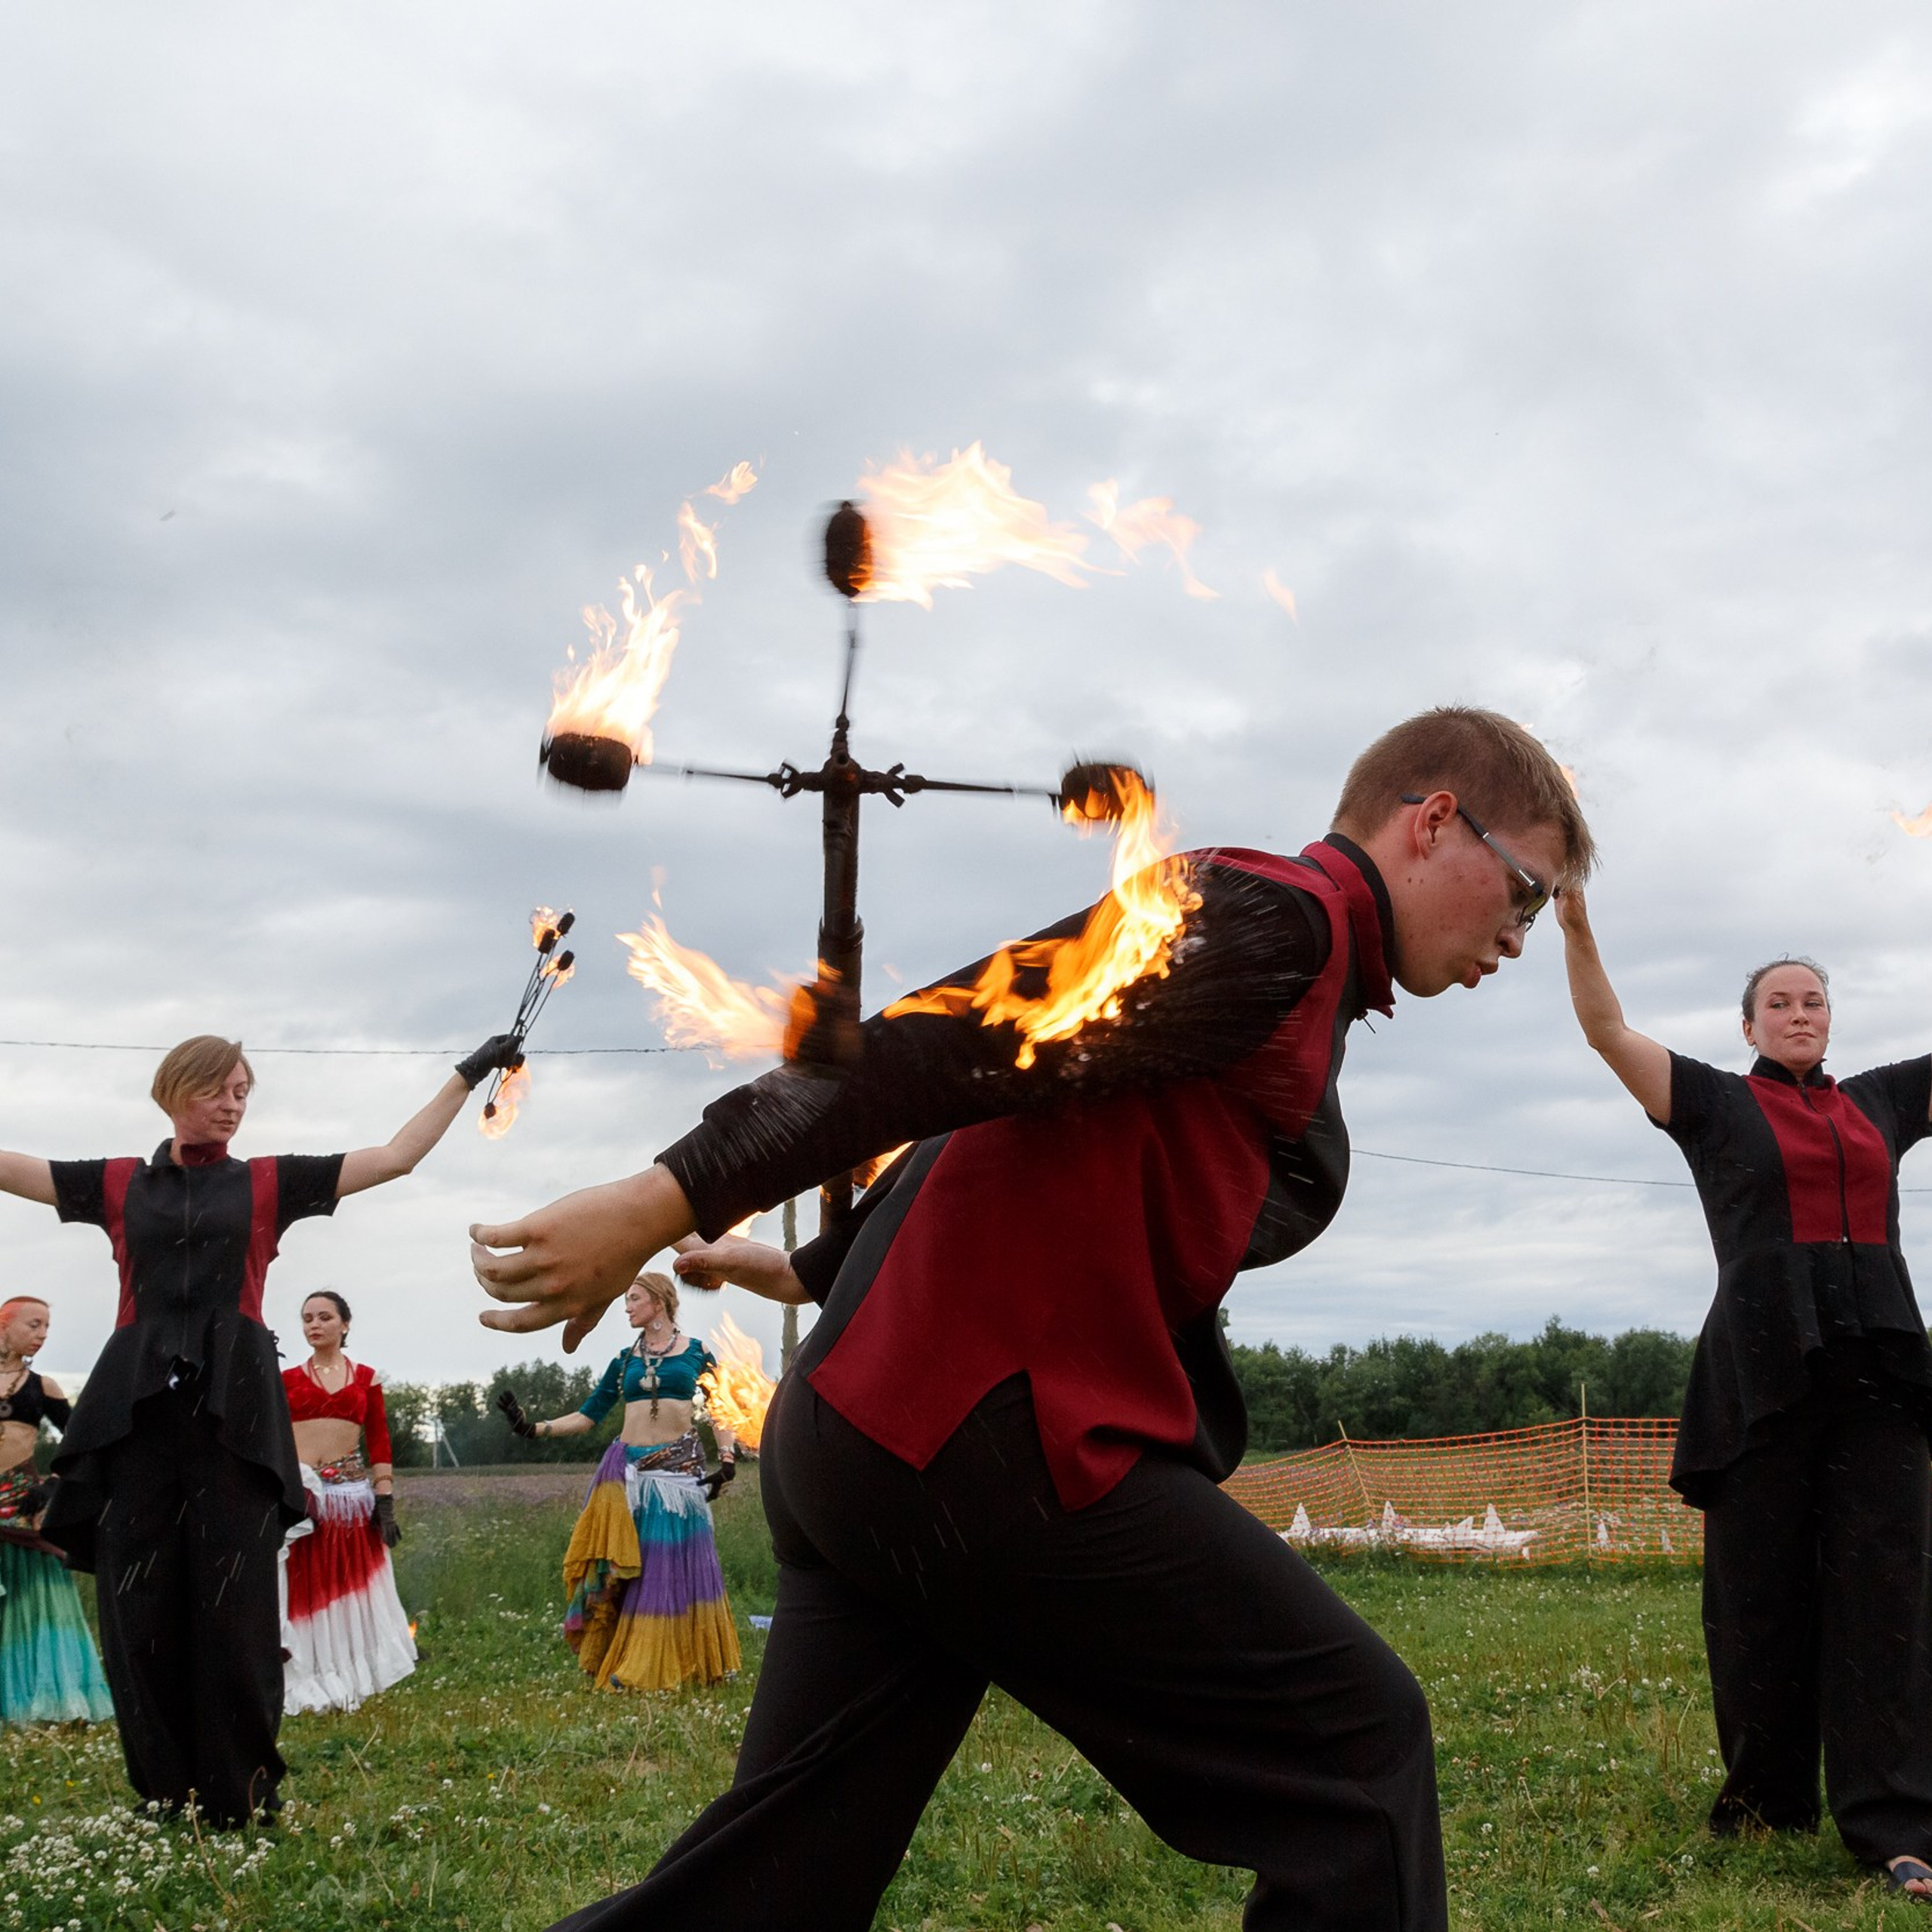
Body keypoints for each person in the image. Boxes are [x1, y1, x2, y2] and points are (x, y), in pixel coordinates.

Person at [471, 705, 1595, 1932]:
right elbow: (950, 1042)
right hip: (975, 1443)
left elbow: (1015, 1112)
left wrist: (810, 1268)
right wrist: (660, 1196)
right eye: (1524, 893)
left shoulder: (1300, 974)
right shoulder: (1280, 919)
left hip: (865, 1438)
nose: (1519, 937)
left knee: (777, 1890)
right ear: (1434, 822)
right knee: (1358, 1757)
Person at [0, 1027, 520, 1826]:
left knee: (236, 1608)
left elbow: (395, 1157)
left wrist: (467, 1073)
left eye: (244, 1092)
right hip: (137, 1416)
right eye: (220, 1089)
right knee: (138, 1608)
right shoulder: (116, 1182)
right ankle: (164, 1789)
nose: (235, 1104)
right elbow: (12, 1167)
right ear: (177, 1090)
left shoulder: (268, 1181)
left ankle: (239, 1790)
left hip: (233, 1415)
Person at [1558, 893, 1932, 1901]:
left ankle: (1896, 1823)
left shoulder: (1884, 1100)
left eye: (1814, 1002)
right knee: (1757, 1593)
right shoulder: (1716, 1103)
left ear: (1830, 1019)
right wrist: (1578, 929)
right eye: (1780, 1003)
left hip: (1880, 1370)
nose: (1799, 1013)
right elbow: (1606, 1030)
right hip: (1764, 1368)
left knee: (1888, 1594)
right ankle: (1767, 1801)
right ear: (1749, 1025)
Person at [498, 1272, 740, 1692]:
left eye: (634, 1299)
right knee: (632, 1569)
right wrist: (534, 1428)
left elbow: (722, 1409)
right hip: (627, 1477)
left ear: (659, 1303)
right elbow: (588, 1415)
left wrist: (728, 1458)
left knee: (670, 1568)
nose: (626, 1307)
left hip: (678, 1477)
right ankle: (628, 1656)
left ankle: (675, 1659)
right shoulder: (625, 1361)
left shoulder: (697, 1353)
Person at [280, 1290, 416, 1714]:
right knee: (308, 1589)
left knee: (350, 1590)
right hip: (306, 1502)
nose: (314, 1325)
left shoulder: (366, 1379)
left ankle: (351, 1674)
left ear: (345, 1324)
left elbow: (380, 1441)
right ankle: (311, 1673)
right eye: (307, 1318)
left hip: (351, 1501)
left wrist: (385, 1501)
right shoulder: (285, 1380)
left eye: (324, 1317)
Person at [0, 1294, 114, 1727]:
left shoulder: (42, 1386)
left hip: (23, 1504)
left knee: (36, 1596)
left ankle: (42, 1696)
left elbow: (81, 1442)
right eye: (34, 1325)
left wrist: (52, 1484)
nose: (43, 1335)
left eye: (47, 1327)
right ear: (4, 1325)